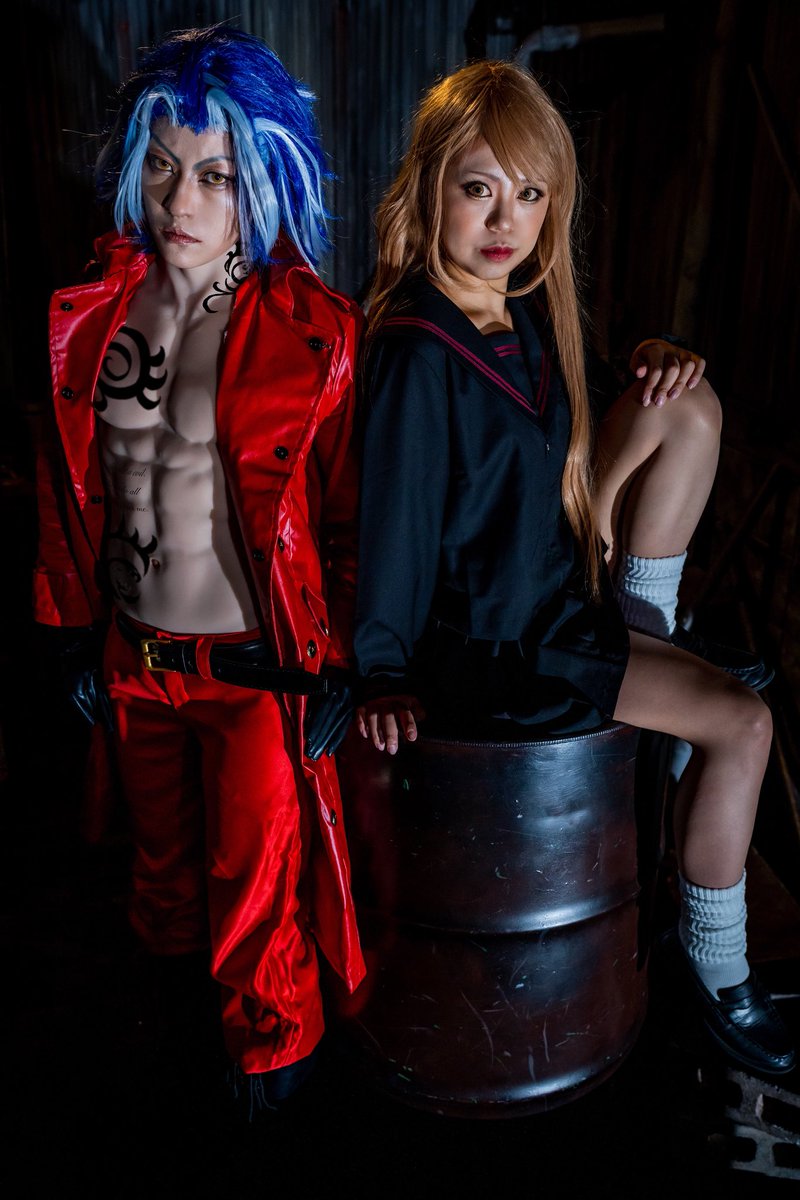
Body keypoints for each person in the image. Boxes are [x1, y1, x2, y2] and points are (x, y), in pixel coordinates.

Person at [353, 59, 794, 1076]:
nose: (503, 220)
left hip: (559, 593)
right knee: (743, 725)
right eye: (478, 188)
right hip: (504, 649)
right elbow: (395, 525)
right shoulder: (418, 347)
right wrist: (380, 670)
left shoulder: (518, 316)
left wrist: (654, 355)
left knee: (688, 404)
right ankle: (721, 978)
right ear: (430, 186)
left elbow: (585, 419)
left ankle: (649, 626)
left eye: (529, 193)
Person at [33, 25, 365, 1108]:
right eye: (164, 166)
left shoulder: (314, 334)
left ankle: (274, 1079)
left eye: (214, 175)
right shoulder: (91, 315)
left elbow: (349, 517)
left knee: (257, 898)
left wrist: (349, 659)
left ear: (262, 181)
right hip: (134, 657)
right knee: (160, 877)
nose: (181, 199)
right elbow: (68, 485)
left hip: (253, 672)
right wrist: (73, 629)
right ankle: (168, 1067)